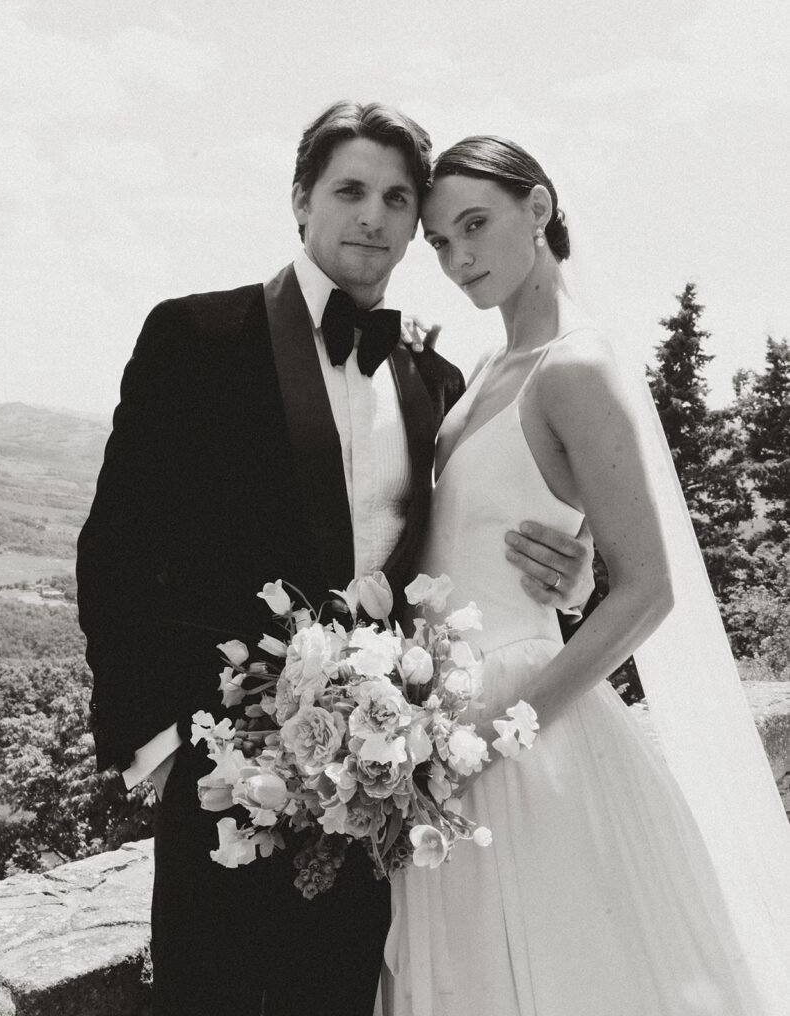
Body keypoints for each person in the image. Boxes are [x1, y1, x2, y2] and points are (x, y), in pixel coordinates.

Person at [76, 104, 595, 1016]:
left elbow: (462, 544)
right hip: (218, 780)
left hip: (375, 792)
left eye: (398, 198)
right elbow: (115, 551)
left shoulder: (430, 381)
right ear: (300, 201)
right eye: (349, 190)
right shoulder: (193, 339)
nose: (374, 216)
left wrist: (571, 567)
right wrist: (156, 748)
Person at [379, 136, 790, 1015]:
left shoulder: (576, 365)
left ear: (540, 208)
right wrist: (567, 576)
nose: (457, 259)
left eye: (475, 225)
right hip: (437, 731)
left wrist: (494, 733)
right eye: (441, 242)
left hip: (523, 736)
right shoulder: (487, 368)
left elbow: (649, 589)